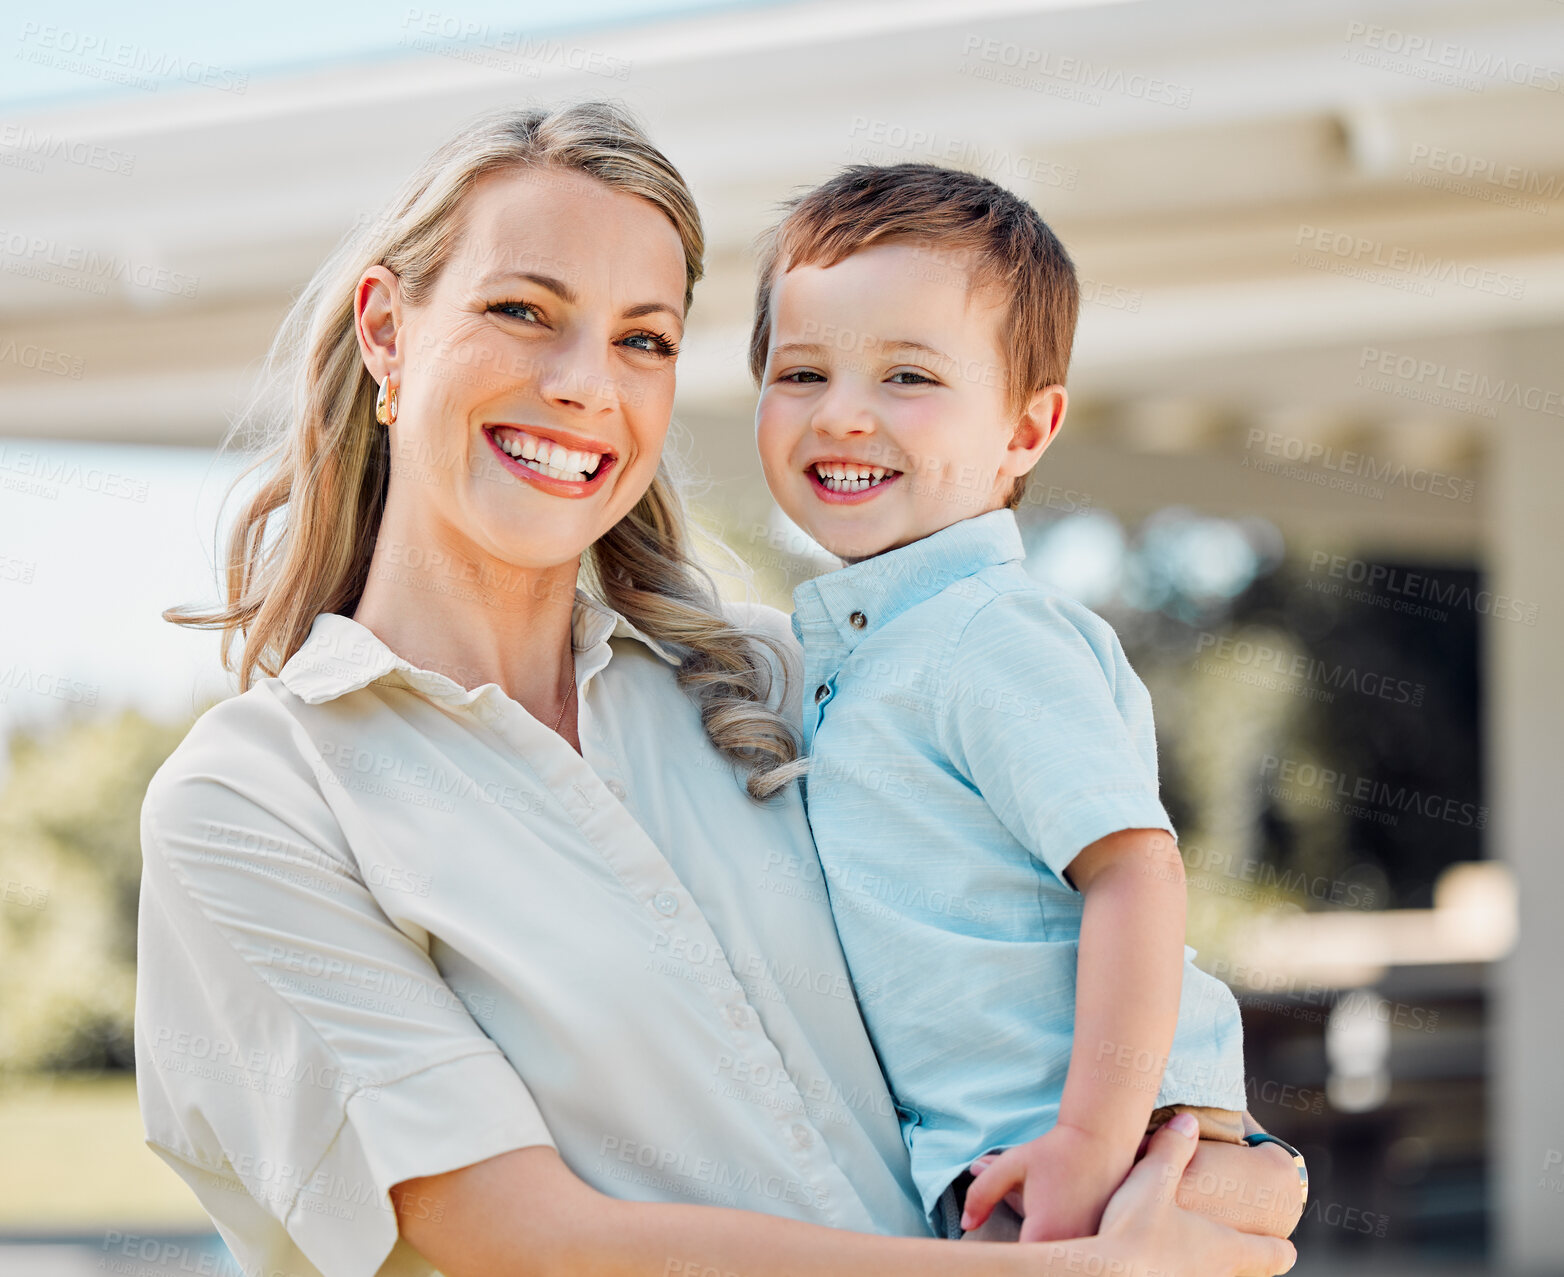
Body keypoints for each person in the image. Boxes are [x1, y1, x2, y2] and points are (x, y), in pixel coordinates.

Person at [134, 101, 1300, 1277]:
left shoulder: (797, 681)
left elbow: (1061, 952)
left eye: (643, 338)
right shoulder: (254, 803)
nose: (585, 384)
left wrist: (1197, 1149)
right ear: (388, 331)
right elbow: (520, 1235)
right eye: (521, 311)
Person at [751, 164, 1268, 1245]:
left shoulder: (990, 633)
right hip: (996, 1153)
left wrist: (1088, 1139)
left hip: (1094, 1139)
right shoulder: (862, 647)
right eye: (801, 372)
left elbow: (1135, 869)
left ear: (1025, 432)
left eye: (907, 376)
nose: (842, 413)